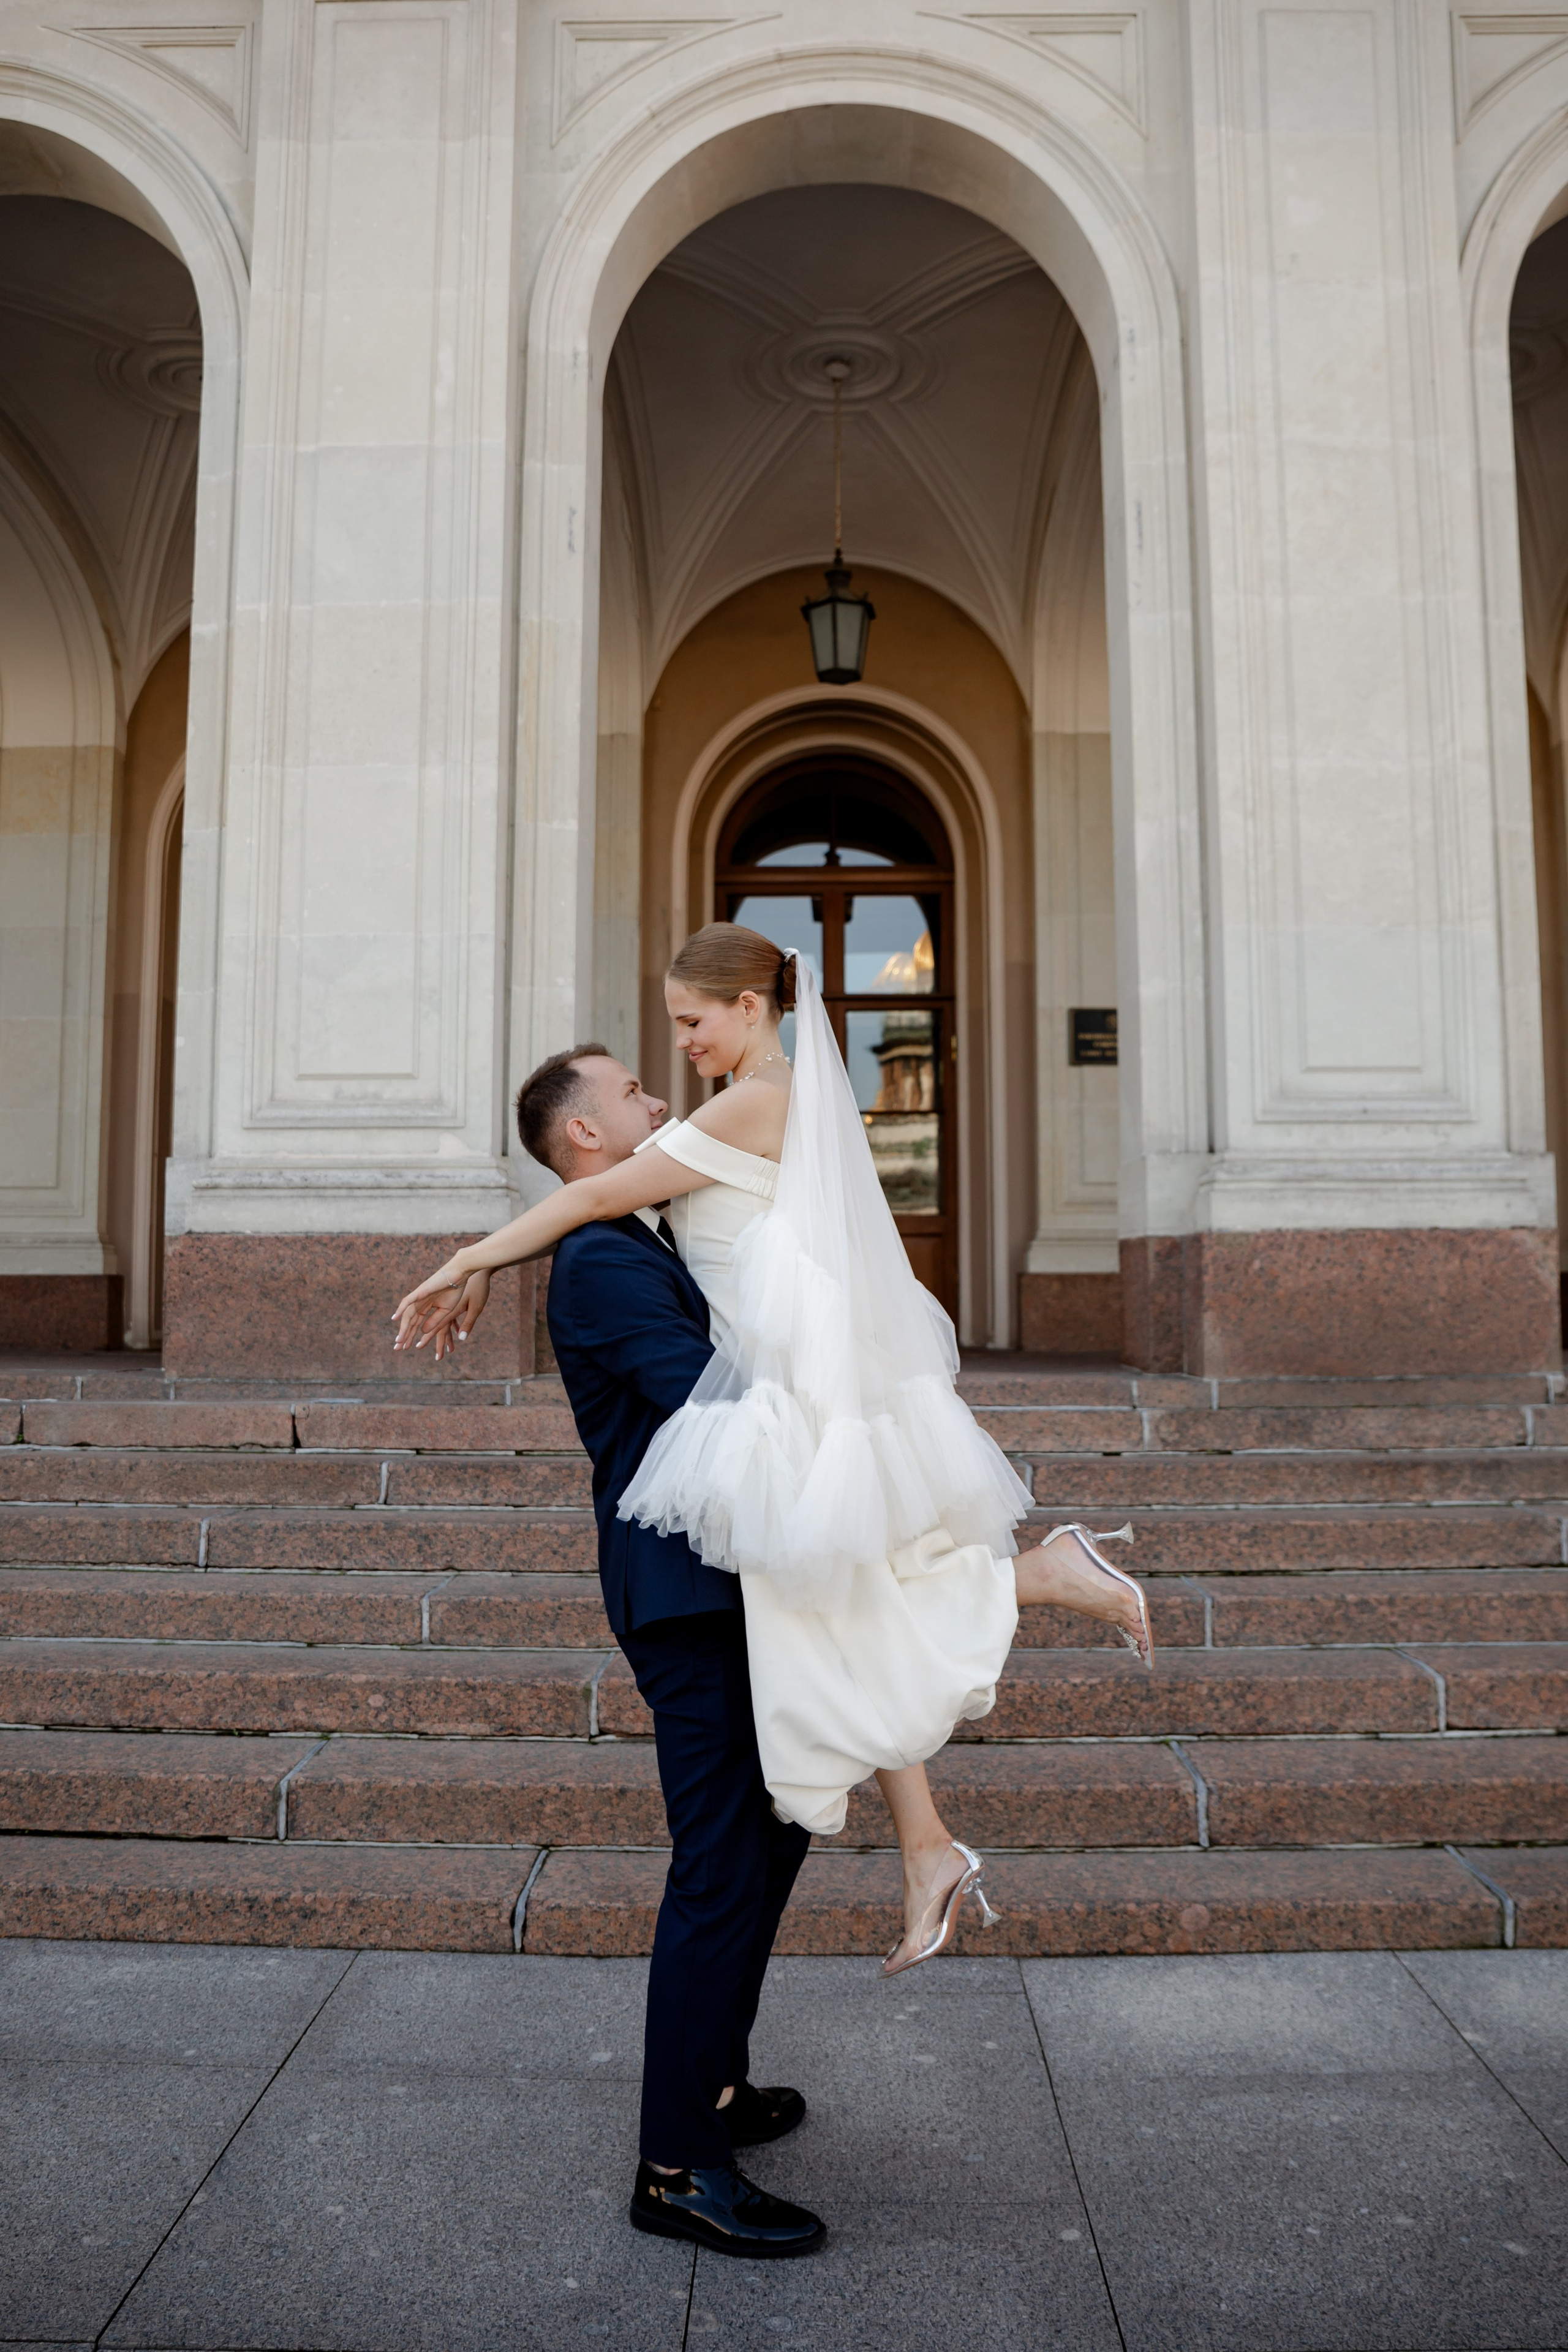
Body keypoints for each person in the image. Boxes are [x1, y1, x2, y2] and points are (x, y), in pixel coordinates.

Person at [394, 926, 1152, 1978]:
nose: (682, 1045)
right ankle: (929, 1847)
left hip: (775, 1389)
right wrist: (492, 1261)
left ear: (751, 1006)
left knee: (842, 1604)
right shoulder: (753, 1101)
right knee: (843, 1610)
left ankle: (1038, 1579)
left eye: (691, 1020)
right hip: (774, 1375)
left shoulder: (759, 1096)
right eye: (672, 1028)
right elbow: (607, 1190)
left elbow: (603, 1192)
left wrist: (469, 1257)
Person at [464, 1044, 825, 2257]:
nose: (660, 1104)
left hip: (729, 1583)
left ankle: (711, 2086)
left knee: (767, 1844)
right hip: (685, 1598)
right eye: (631, 1094)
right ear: (582, 1138)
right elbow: (721, 1412)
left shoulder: (644, 1234)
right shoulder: (605, 1263)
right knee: (722, 1864)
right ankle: (674, 2167)